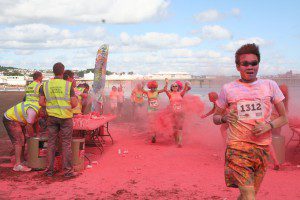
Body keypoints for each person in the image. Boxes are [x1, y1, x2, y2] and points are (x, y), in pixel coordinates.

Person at [212, 43, 288, 199]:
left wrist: (269, 126)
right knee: (249, 196)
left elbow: (284, 118)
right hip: (237, 147)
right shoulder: (228, 88)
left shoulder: (270, 86)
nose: (250, 67)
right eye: (245, 63)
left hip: (262, 149)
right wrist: (224, 118)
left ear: (258, 65)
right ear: (238, 67)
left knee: (248, 194)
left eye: (254, 63)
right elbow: (215, 117)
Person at [39, 62, 78, 178]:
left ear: (53, 71)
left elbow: (41, 102)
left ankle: (49, 171)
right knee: (66, 144)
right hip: (66, 118)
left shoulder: (45, 85)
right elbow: (74, 103)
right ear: (63, 71)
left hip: (51, 118)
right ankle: (68, 172)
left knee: (51, 144)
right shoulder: (67, 85)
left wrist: (51, 105)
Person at [3, 101, 40, 171]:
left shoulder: (38, 109)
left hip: (17, 119)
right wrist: (33, 138)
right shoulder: (33, 111)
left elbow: (35, 122)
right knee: (19, 140)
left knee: (23, 139)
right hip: (10, 119)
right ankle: (17, 165)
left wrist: (38, 135)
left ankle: (22, 161)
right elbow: (29, 126)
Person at [165, 80, 190, 147]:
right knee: (174, 128)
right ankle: (176, 140)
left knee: (180, 127)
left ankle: (180, 142)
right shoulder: (170, 94)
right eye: (173, 86)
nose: (175, 87)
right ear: (171, 87)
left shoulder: (180, 93)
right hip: (172, 113)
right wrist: (166, 83)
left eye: (176, 86)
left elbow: (185, 89)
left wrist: (186, 84)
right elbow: (165, 90)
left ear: (178, 87)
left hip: (181, 112)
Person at [269, 84, 289, 170]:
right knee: (271, 139)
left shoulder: (280, 99)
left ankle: (275, 160)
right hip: (274, 120)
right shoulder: (281, 98)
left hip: (274, 120)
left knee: (270, 139)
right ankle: (276, 160)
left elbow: (282, 115)